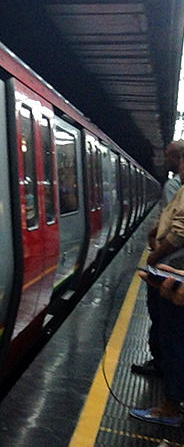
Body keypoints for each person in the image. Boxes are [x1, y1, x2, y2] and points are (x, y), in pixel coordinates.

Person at [131, 145, 184, 426]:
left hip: (174, 274)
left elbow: (179, 231)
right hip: (174, 271)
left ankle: (171, 407)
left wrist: (152, 258)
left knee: (173, 338)